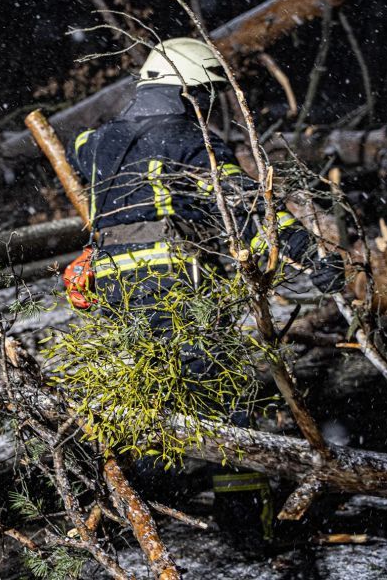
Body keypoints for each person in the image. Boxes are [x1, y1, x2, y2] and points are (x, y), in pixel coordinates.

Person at [63, 37, 345, 545]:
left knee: (146, 395)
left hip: (115, 290)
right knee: (226, 399)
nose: (210, 104)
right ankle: (245, 529)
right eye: (206, 93)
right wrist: (311, 253)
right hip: (178, 285)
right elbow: (247, 208)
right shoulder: (194, 143)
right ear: (188, 92)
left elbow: (76, 151)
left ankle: (142, 516)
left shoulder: (98, 142)